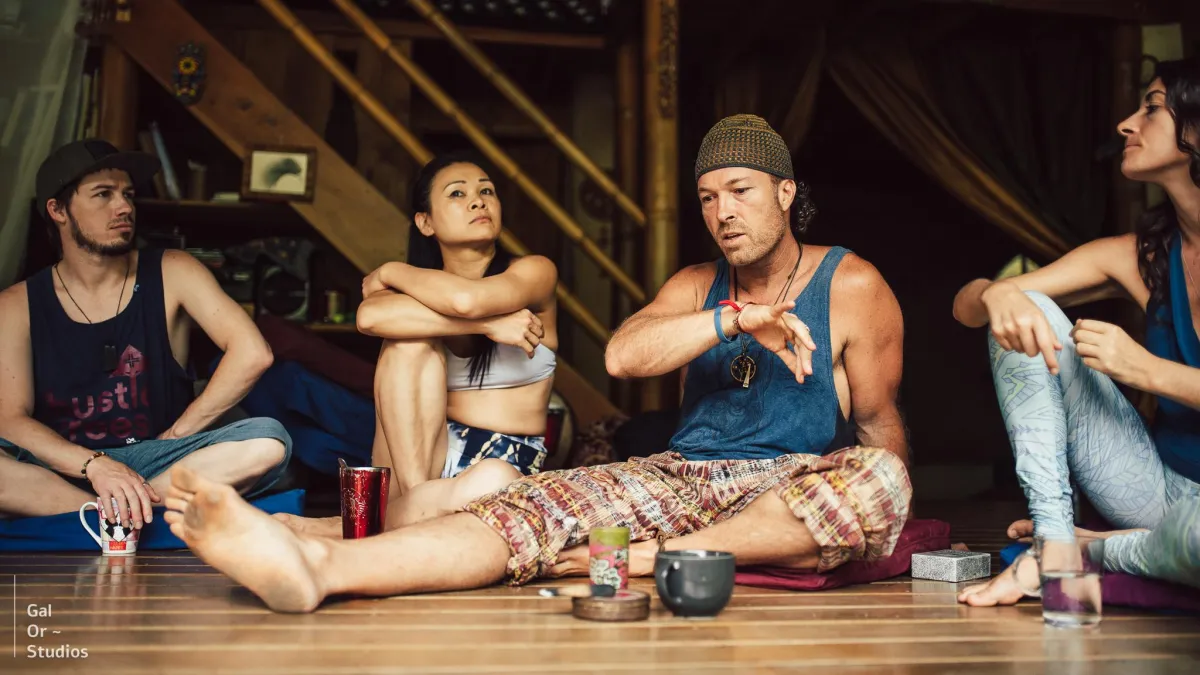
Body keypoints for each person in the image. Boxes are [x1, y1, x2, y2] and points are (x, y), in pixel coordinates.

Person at [161, 115, 911, 613]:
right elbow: (624, 354)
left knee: (884, 479)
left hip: (786, 484)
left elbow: (877, 424)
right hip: (680, 474)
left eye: (741, 192)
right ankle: (318, 568)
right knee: (528, 505)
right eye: (709, 197)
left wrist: (897, 522)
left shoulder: (852, 284)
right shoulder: (693, 285)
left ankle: (645, 556)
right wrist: (733, 318)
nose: (723, 213)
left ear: (785, 192)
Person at [952, 58, 1200, 607]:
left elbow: (1149, 372)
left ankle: (1095, 551)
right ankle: (1057, 539)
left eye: (1152, 108)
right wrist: (997, 292)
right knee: (1024, 304)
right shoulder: (1138, 257)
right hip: (1157, 489)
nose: (1126, 124)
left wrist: (1147, 370)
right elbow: (965, 308)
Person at [0, 139, 292, 531]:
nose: (123, 207)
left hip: (158, 460)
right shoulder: (16, 304)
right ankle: (123, 516)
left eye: (127, 195)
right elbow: (9, 419)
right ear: (57, 210)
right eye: (103, 194)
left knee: (268, 440)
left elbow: (253, 353)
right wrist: (95, 465)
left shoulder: (173, 270)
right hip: (65, 466)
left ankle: (93, 518)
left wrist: (176, 436)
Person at [278, 152, 559, 533]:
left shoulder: (532, 271)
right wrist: (487, 326)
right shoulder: (416, 287)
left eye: (486, 191)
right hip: (422, 462)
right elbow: (369, 317)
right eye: (457, 194)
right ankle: (417, 505)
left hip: (501, 461)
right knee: (405, 344)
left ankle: (354, 524)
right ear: (425, 223)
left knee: (494, 478)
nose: (478, 201)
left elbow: (466, 300)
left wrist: (390, 271)